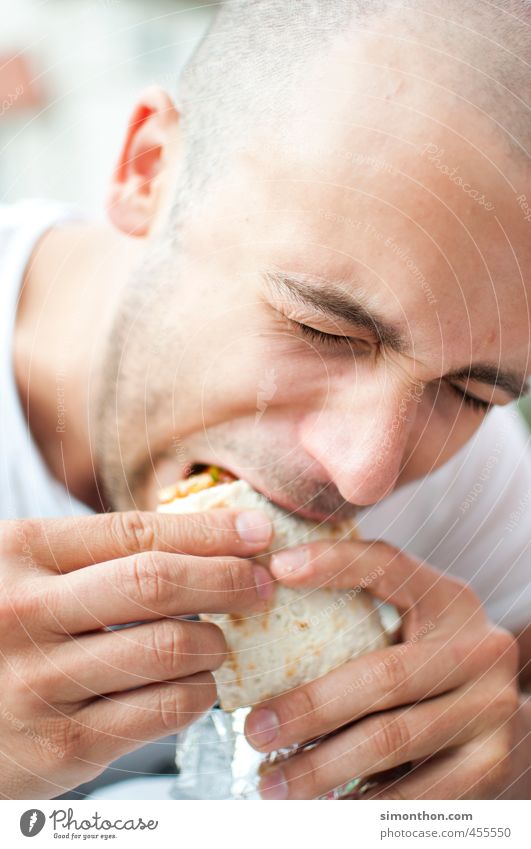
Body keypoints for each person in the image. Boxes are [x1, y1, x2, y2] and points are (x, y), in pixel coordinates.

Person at [1, 0, 530, 800]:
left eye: (470, 390)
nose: (365, 478)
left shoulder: (477, 481)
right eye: (323, 329)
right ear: (146, 168)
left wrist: (506, 771)